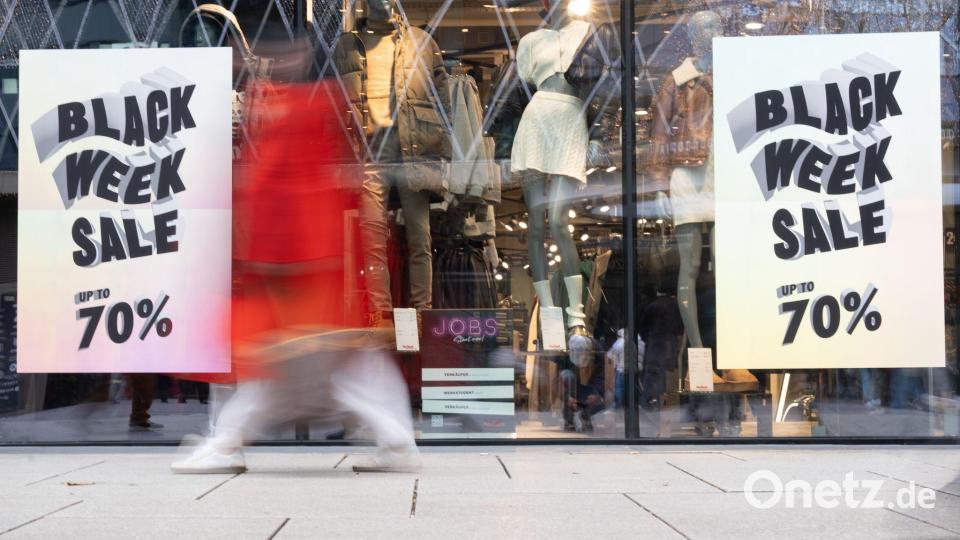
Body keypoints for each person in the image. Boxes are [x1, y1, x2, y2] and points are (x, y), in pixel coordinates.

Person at [171, 80, 419, 474]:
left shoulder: (292, 111)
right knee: (323, 367)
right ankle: (394, 437)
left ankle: (225, 442)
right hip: (307, 260)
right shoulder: (316, 109)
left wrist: (267, 263)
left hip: (293, 263)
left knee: (280, 365)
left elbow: (278, 191)